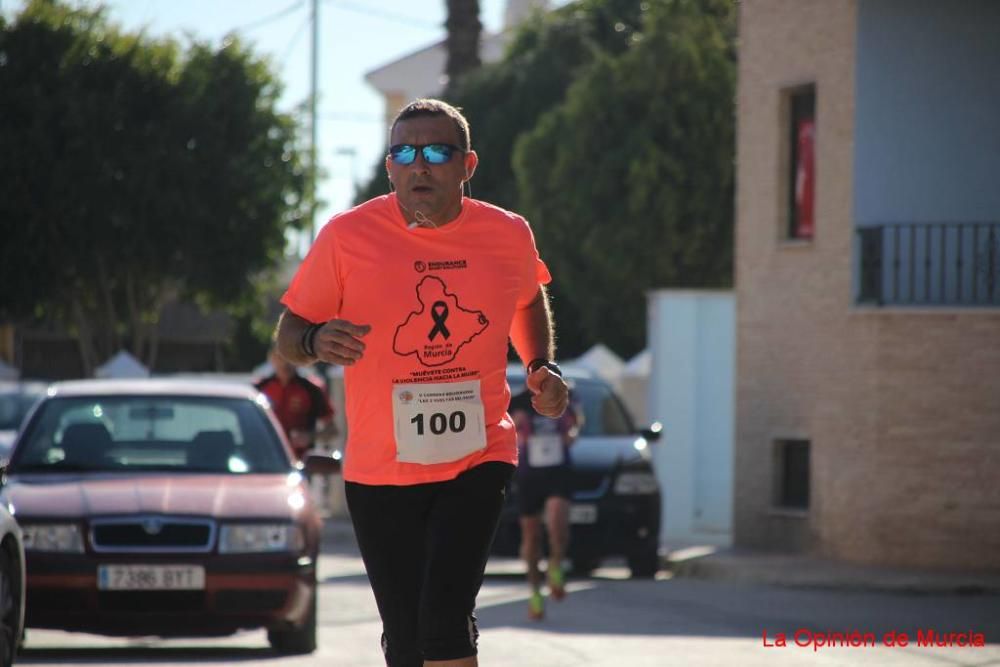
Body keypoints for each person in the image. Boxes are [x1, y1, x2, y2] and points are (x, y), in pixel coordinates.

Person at [273, 98, 569, 667]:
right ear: (389, 167)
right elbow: (289, 330)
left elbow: (527, 298)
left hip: (478, 453)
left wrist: (541, 366)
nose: (420, 166)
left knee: (443, 620)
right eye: (404, 153)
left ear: (468, 165)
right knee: (405, 638)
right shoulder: (346, 236)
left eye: (437, 152)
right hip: (379, 467)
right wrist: (313, 342)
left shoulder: (507, 234)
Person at [508, 387, 581, 620]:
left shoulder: (562, 390)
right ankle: (535, 594)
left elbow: (577, 419)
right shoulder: (517, 400)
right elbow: (503, 427)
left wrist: (572, 431)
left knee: (557, 522)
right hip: (529, 475)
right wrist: (516, 428)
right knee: (531, 537)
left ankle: (555, 565)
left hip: (558, 471)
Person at [255, 344, 337, 460]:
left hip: (302, 462)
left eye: (289, 357)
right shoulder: (259, 389)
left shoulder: (312, 389)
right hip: (266, 461)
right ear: (271, 358)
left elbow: (332, 430)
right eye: (280, 357)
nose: (285, 363)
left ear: (297, 359)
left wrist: (309, 437)